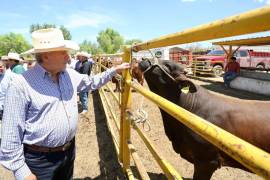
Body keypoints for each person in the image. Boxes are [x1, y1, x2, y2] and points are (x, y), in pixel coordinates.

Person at [0, 28, 130, 180]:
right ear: (46, 55)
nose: (68, 57)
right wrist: (23, 173)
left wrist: (114, 70)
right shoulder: (20, 84)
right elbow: (10, 137)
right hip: (39, 162)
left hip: (68, 153)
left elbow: (90, 82)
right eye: (63, 52)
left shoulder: (68, 74)